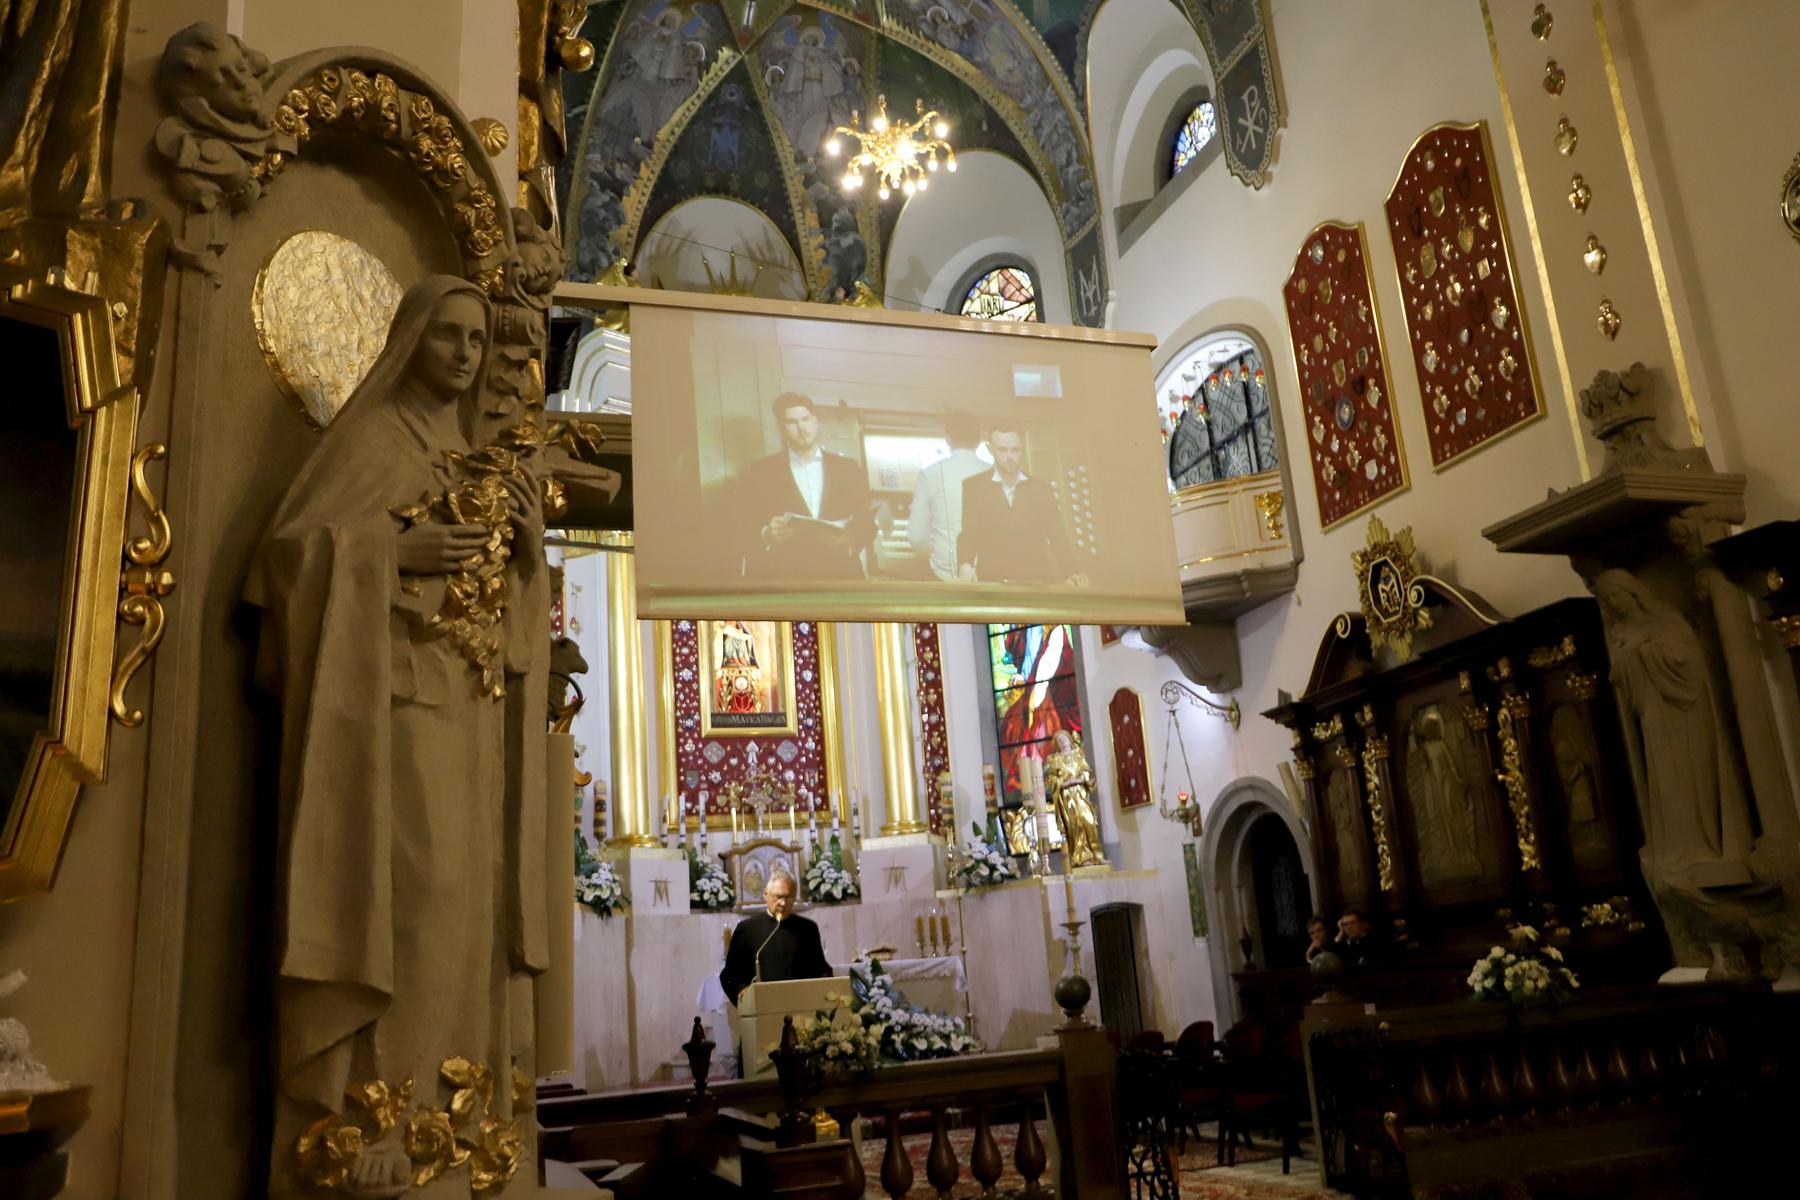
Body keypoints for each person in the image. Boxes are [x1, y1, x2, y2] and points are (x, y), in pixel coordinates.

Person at [246, 277, 549, 1198]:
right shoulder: (373, 441)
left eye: (476, 341)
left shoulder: (465, 456)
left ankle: (453, 1110)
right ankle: (375, 1109)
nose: (464, 354)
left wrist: (527, 556)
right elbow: (282, 565)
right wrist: (389, 553)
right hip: (395, 717)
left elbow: (507, 618)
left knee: (464, 908)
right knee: (410, 898)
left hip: (469, 718)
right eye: (448, 335)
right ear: (411, 339)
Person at [735, 393, 872, 581]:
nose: (801, 428)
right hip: (787, 579)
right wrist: (767, 534)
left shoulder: (848, 468)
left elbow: (867, 522)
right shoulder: (762, 471)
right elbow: (743, 526)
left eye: (805, 419)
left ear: (815, 422)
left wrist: (852, 540)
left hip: (841, 576)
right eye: (791, 422)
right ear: (781, 428)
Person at [955, 422, 1089, 586]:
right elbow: (969, 533)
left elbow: (1057, 535)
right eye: (1002, 450)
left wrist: (1072, 572)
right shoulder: (974, 487)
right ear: (990, 450)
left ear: (1022, 449)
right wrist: (965, 564)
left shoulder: (1041, 489)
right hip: (992, 580)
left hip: (1036, 581)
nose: (1010, 456)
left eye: (1015, 450)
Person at [720, 871, 831, 1005]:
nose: (783, 903)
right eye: (778, 897)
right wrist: (741, 990)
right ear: (765, 894)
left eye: (789, 898)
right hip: (762, 1006)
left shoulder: (807, 928)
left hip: (801, 1004)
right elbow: (730, 975)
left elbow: (821, 969)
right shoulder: (747, 929)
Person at [906, 412, 990, 581]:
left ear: (948, 439)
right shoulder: (994, 474)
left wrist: (937, 553)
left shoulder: (930, 474)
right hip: (988, 572)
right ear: (978, 441)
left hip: (944, 573)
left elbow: (916, 537)